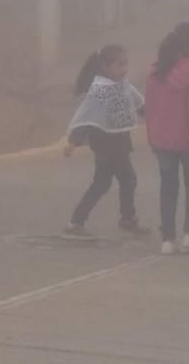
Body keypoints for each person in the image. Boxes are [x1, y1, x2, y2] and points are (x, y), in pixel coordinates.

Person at [62, 44, 148, 238]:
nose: (124, 69)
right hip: (106, 144)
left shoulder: (124, 85)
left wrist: (157, 118)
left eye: (126, 64)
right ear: (106, 67)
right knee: (127, 179)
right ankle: (127, 219)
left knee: (102, 183)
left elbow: (140, 105)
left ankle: (76, 222)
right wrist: (73, 142)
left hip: (120, 142)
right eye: (120, 65)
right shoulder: (100, 89)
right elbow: (87, 116)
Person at [143, 22, 189, 255]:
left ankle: (168, 239)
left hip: (161, 140)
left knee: (168, 188)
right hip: (187, 139)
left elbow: (149, 109)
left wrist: (152, 137)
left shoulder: (155, 73)